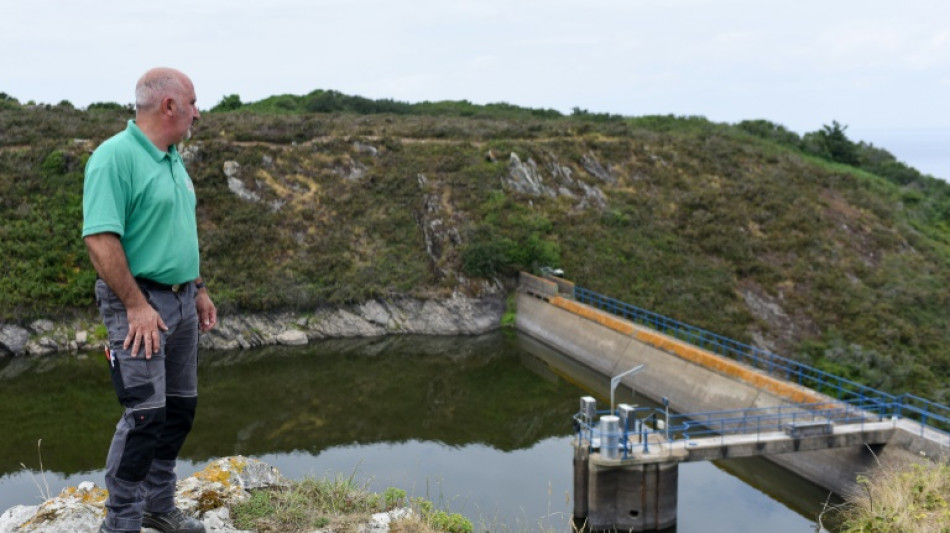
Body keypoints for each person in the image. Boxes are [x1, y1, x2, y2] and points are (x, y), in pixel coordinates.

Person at [82, 67, 217, 533]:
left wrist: (197, 288)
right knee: (144, 417)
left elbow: (177, 230)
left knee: (178, 411)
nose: (198, 112)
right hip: (138, 306)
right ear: (169, 106)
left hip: (181, 301)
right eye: (194, 102)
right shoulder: (113, 158)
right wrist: (137, 306)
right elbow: (100, 239)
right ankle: (120, 523)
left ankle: (158, 506)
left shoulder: (173, 156)